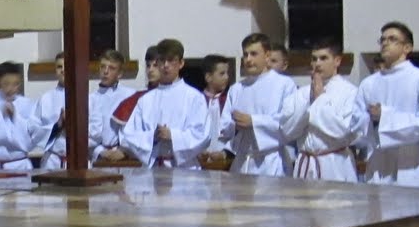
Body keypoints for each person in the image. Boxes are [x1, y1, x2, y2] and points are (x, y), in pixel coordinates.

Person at [357, 21, 419, 186]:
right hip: (379, 161)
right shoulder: (369, 83)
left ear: (407, 47)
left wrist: (385, 116)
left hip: (410, 163)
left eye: (392, 39)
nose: (385, 43)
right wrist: (372, 121)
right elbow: (355, 124)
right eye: (382, 39)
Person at [220, 32, 307, 176]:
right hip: (242, 161)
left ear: (267, 55)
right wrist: (235, 126)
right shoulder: (237, 89)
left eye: (254, 54)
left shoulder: (284, 84)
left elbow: (288, 122)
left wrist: (254, 121)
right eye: (245, 54)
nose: (248, 59)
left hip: (271, 161)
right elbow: (224, 126)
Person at [119, 38, 212, 168]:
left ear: (181, 63)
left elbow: (203, 135)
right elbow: (129, 135)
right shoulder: (146, 100)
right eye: (162, 60)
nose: (166, 65)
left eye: (171, 60)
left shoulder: (194, 97)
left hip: (185, 169)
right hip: (153, 168)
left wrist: (173, 135)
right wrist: (152, 136)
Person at [295, 41, 366, 181]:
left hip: (334, 163)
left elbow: (343, 131)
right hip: (305, 161)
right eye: (314, 59)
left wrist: (319, 99)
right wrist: (306, 104)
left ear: (337, 61)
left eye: (323, 58)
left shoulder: (350, 92)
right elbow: (288, 130)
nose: (317, 63)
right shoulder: (302, 93)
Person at [0, 61, 41, 171]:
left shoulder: (27, 104)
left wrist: (15, 117)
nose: (11, 88)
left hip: (20, 165)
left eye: (15, 84)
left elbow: (32, 137)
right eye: (6, 84)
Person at [86, 49, 136, 165]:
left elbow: (134, 129)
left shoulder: (129, 95)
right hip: (98, 157)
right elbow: (86, 134)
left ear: (120, 74)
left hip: (124, 156)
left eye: (111, 68)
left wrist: (124, 150)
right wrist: (100, 151)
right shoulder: (91, 99)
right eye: (103, 67)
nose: (105, 71)